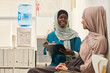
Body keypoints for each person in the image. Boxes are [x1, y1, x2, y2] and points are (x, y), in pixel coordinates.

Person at [28, 6, 107, 73]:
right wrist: (49, 48)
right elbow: (80, 58)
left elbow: (88, 65)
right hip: (67, 65)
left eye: (83, 18)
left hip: (73, 68)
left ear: (91, 19)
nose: (81, 21)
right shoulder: (88, 38)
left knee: (33, 71)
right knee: (32, 70)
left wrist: (69, 61)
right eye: (60, 17)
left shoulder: (97, 40)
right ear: (56, 19)